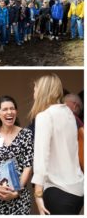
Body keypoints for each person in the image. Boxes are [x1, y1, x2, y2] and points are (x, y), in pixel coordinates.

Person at [29, 74, 84, 215]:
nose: (33, 93)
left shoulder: (44, 116)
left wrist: (38, 195)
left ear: (42, 90)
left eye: (35, 89)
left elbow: (41, 158)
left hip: (57, 190)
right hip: (78, 190)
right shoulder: (69, 114)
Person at [0, 96, 33, 215]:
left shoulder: (26, 134)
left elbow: (28, 166)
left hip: (19, 197)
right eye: (4, 109)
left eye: (12, 108)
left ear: (16, 111)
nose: (9, 112)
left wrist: (16, 191)